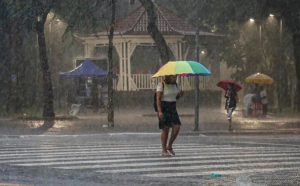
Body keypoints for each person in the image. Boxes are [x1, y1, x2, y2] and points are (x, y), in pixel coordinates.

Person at [156, 75, 183, 157]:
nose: (175, 79)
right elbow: (158, 99)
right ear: (168, 76)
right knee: (165, 129)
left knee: (177, 127)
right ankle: (164, 150)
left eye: (176, 77)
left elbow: (176, 97)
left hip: (173, 107)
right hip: (164, 107)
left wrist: (180, 94)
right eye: (173, 77)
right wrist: (160, 111)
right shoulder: (162, 84)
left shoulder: (176, 85)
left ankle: (170, 145)